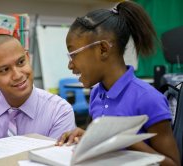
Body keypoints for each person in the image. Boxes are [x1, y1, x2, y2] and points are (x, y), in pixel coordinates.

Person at [57, 1, 180, 166]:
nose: (70, 65)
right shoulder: (96, 93)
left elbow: (173, 164)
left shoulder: (148, 99)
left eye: (74, 55)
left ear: (103, 49)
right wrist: (87, 136)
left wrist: (129, 142)